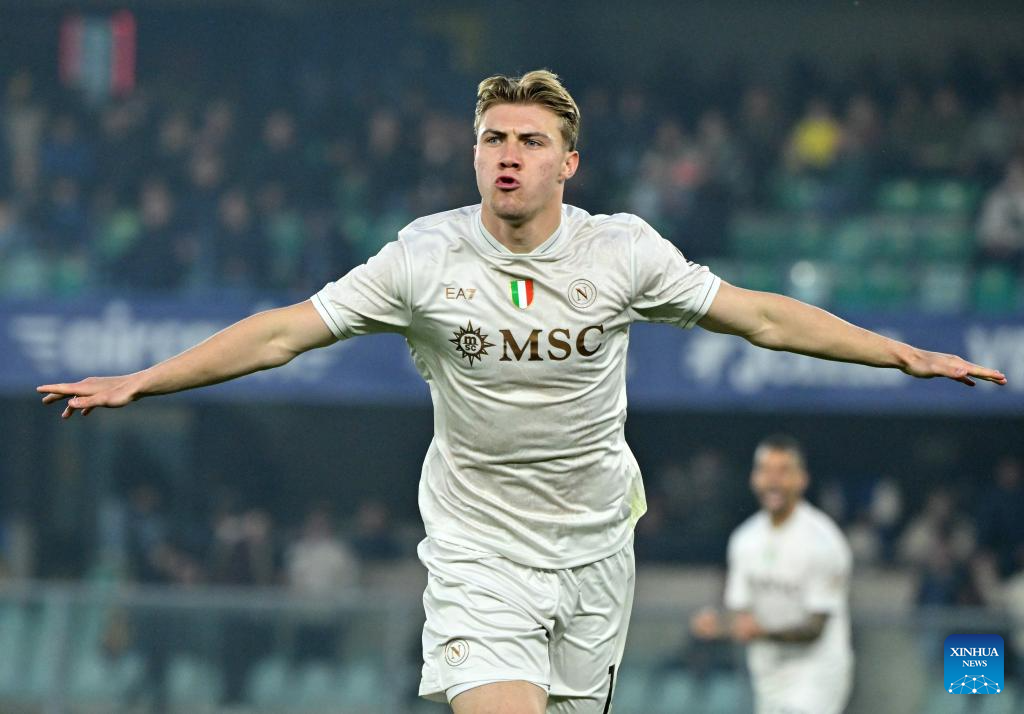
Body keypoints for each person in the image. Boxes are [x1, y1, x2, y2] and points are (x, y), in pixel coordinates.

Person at [38, 70, 1006, 714]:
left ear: (566, 162)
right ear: (474, 154)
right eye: (493, 137)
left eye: (531, 140)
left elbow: (760, 317)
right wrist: (145, 379)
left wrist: (898, 353)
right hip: (479, 552)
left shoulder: (621, 252)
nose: (508, 152)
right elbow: (284, 330)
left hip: (595, 549)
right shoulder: (422, 258)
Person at [690, 435, 853, 714]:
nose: (773, 481)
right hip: (767, 676)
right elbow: (742, 615)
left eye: (784, 471)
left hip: (815, 674)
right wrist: (718, 625)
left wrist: (759, 631)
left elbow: (815, 628)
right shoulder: (744, 540)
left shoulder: (824, 542)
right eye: (765, 471)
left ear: (802, 479)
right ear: (754, 478)